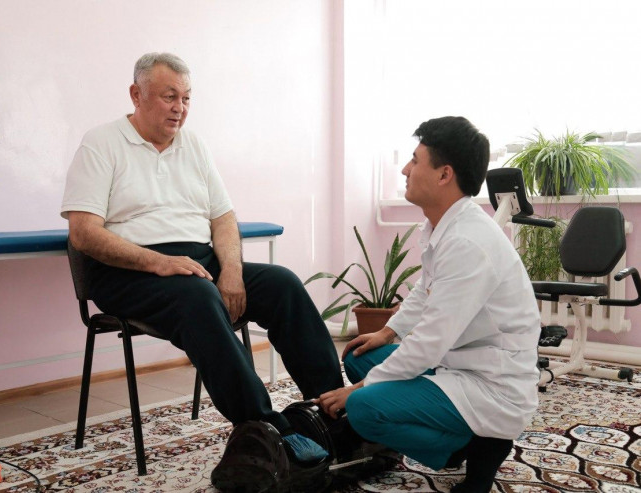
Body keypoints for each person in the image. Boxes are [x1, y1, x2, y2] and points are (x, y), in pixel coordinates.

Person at [61, 52, 343, 464]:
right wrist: (157, 262)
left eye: (187, 98)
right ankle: (266, 428)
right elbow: (83, 233)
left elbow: (223, 218)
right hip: (128, 272)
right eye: (169, 97)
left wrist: (232, 271)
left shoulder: (193, 145)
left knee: (281, 283)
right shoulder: (101, 143)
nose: (180, 108)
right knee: (198, 296)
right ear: (136, 95)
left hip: (197, 265)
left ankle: (333, 408)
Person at [317, 116, 541, 493]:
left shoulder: (468, 242)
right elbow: (426, 289)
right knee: (358, 357)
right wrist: (387, 332)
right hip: (458, 363)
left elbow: (430, 342)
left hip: (491, 383)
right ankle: (440, 427)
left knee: (363, 407)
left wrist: (358, 391)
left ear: (444, 174)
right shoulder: (446, 225)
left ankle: (474, 447)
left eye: (415, 160)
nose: (405, 170)